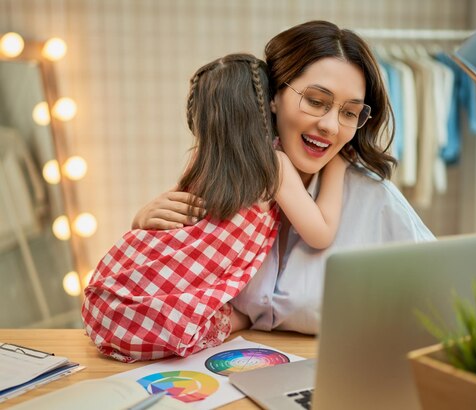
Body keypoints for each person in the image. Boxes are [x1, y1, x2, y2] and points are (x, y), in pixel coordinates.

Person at [100, 20, 435, 357]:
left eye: (349, 113)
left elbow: (440, 305)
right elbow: (183, 280)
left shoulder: (375, 202)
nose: (331, 126)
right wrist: (144, 223)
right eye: (316, 101)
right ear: (273, 96)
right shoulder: (231, 176)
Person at [82, 53, 349, 362]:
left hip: (108, 299)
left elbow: (177, 225)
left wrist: (139, 221)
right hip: (166, 320)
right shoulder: (274, 167)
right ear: (270, 104)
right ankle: (243, 319)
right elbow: (321, 233)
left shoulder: (198, 159)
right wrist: (338, 167)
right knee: (241, 315)